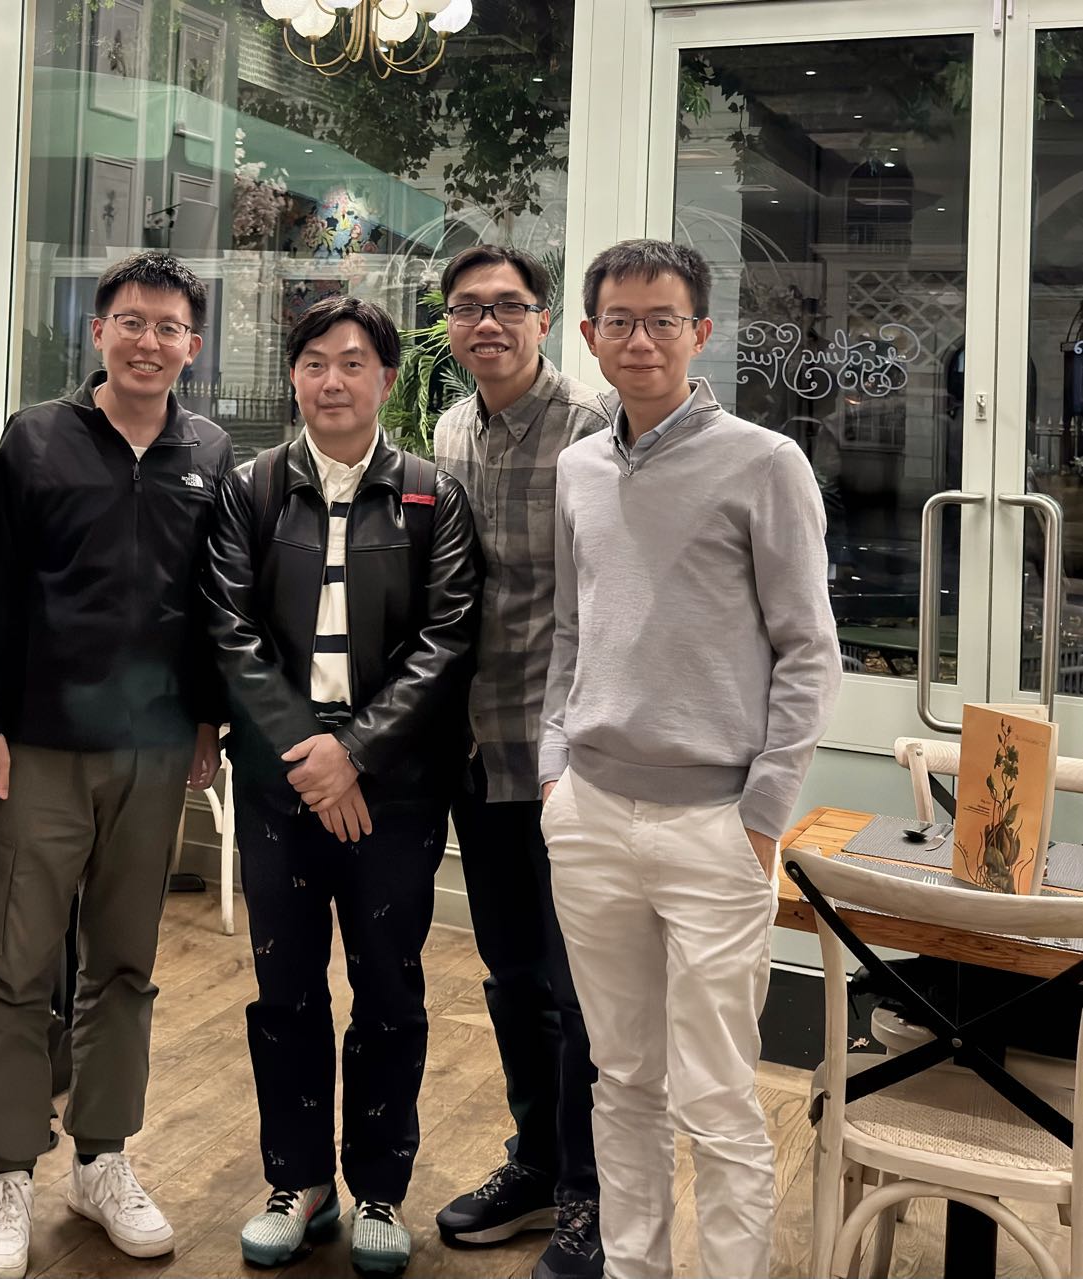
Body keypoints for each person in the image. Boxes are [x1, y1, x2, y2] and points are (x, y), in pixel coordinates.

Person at [538, 238, 841, 1279]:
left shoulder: (763, 462)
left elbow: (808, 650)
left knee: (715, 1092)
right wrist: (553, 767)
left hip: (715, 824)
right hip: (589, 812)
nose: (640, 340)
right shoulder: (577, 467)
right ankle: (633, 1266)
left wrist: (762, 812)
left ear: (699, 331)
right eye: (619, 321)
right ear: (589, 335)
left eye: (662, 320)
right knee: (620, 1077)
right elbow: (569, 629)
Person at [0, 251, 233, 1279]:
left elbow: (214, 605)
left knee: (124, 965)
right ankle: (7, 1171)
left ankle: (103, 1158)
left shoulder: (210, 451)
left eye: (167, 327)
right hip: (37, 744)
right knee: (16, 965)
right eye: (130, 321)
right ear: (97, 331)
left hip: (155, 750)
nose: (147, 341)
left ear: (191, 346)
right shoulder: (34, 439)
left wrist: (206, 720)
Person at [202, 295, 481, 1277]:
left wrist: (352, 754)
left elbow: (446, 639)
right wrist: (310, 756)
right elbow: (229, 631)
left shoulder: (431, 496)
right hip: (280, 781)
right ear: (292, 375)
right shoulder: (248, 490)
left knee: (389, 990)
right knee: (283, 989)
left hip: (391, 786)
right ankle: (298, 1182)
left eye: (353, 362)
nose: (332, 380)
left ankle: (379, 1189)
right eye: (315, 361)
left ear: (386, 379)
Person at [430, 245, 611, 1279]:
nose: (486, 323)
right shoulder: (451, 428)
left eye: (507, 305)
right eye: (467, 307)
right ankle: (535, 1162)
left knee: (579, 985)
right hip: (476, 745)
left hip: (566, 754)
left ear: (543, 319)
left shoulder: (591, 424)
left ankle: (590, 1194)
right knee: (511, 974)